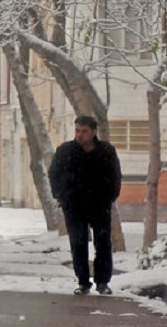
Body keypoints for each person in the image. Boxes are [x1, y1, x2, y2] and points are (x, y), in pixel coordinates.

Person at [49, 115, 122, 296]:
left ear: (93, 132)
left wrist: (110, 197)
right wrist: (61, 196)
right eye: (77, 131)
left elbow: (115, 175)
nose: (80, 135)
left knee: (103, 243)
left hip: (100, 203)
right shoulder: (65, 151)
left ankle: (103, 282)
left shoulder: (106, 151)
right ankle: (83, 281)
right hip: (74, 205)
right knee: (78, 242)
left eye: (84, 131)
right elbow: (54, 174)